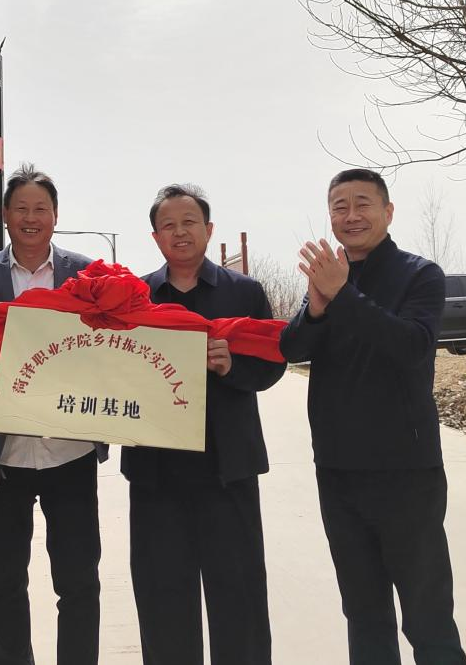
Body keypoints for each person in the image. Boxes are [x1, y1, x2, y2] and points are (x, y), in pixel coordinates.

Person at [280, 168, 466, 665]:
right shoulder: (330, 275)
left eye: (362, 203)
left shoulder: (419, 274)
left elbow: (412, 347)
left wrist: (343, 295)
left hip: (405, 470)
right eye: (339, 206)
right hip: (337, 470)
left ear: (388, 211)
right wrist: (315, 308)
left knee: (427, 615)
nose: (351, 215)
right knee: (363, 612)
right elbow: (292, 349)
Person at [122, 183, 285, 665]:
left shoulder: (244, 292)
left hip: (227, 470)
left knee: (239, 598)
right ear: (155, 237)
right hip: (155, 475)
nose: (180, 233)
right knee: (162, 601)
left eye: (189, 222)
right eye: (168, 225)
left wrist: (232, 367)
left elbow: (273, 364)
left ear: (208, 229)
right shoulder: (134, 298)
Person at [0, 164, 108, 665]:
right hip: (2, 455)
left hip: (70, 449)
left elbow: (108, 348)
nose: (30, 217)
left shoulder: (87, 274)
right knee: (4, 580)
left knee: (79, 579)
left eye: (40, 208)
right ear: (5, 215)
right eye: (20, 208)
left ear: (55, 216)